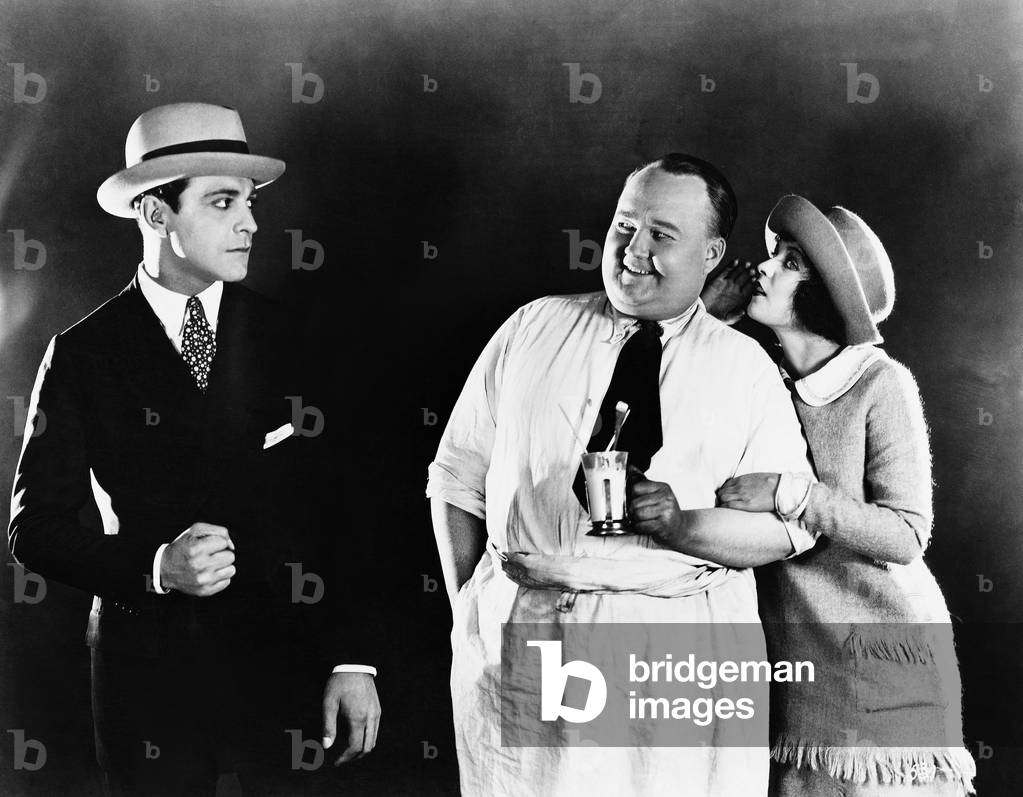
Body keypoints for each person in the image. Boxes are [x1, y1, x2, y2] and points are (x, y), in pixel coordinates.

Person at [8, 102, 380, 795]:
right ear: (156, 214)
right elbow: (34, 531)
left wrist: (354, 659)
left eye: (249, 202)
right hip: (148, 682)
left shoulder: (293, 339)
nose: (250, 223)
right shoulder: (83, 353)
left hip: (287, 673)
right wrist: (155, 566)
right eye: (222, 202)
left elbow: (347, 509)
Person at [427, 154, 821, 796]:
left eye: (662, 234)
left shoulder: (744, 367)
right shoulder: (532, 327)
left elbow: (788, 530)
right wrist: (468, 605)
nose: (634, 251)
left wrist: (680, 525)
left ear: (712, 253)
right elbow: (455, 476)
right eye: (624, 227)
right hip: (525, 637)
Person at [715, 195, 976, 795]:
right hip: (803, 669)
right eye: (776, 254)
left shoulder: (881, 383)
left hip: (889, 662)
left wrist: (792, 494)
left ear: (825, 295)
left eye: (791, 263)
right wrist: (708, 321)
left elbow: (906, 534)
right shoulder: (759, 380)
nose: (764, 266)